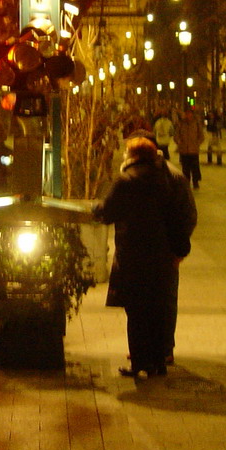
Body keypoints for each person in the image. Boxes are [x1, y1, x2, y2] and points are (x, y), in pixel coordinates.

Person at [94, 133, 196, 381]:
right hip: (161, 256)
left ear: (132, 155)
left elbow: (106, 213)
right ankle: (158, 361)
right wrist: (180, 250)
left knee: (137, 311)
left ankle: (140, 362)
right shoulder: (165, 180)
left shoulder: (126, 181)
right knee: (157, 308)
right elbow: (177, 219)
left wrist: (94, 208)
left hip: (134, 256)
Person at [174, 105, 205, 189]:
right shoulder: (181, 123)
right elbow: (176, 135)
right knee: (185, 168)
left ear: (192, 114)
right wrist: (179, 142)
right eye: (186, 113)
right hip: (184, 150)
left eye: (189, 113)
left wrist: (197, 143)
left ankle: (195, 182)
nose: (188, 115)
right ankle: (186, 182)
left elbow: (201, 136)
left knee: (195, 167)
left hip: (194, 149)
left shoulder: (196, 123)